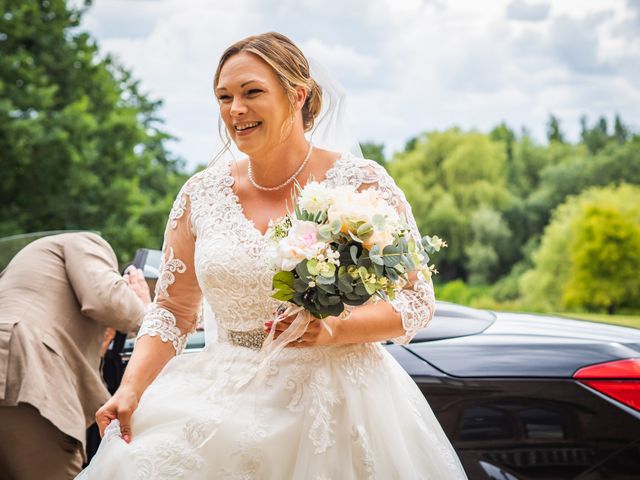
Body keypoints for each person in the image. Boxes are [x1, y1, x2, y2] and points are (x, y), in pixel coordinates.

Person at [77, 32, 468, 478]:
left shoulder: (360, 184)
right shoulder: (201, 193)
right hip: (221, 392)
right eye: (224, 97)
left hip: (337, 403)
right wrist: (130, 390)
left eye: (251, 92)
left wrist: (332, 329)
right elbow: (172, 309)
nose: (235, 109)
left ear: (297, 95)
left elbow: (417, 303)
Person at [0, 232, 151, 480]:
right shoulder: (86, 242)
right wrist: (146, 311)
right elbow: (105, 300)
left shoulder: (30, 272)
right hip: (23, 370)